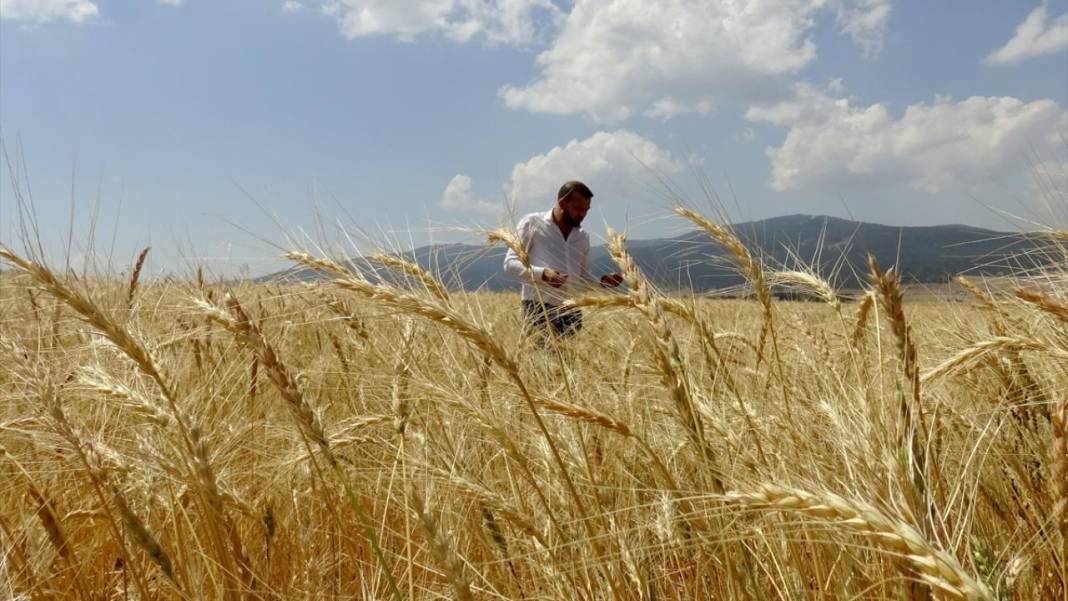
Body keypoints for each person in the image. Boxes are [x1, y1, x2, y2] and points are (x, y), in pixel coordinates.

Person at [503, 180, 624, 338]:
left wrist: (602, 282)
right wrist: (543, 274)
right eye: (578, 208)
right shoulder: (532, 223)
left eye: (586, 210)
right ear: (562, 203)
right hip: (538, 308)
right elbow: (510, 264)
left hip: (571, 309)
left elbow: (582, 277)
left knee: (568, 361)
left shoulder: (582, 237)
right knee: (540, 360)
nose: (582, 214)